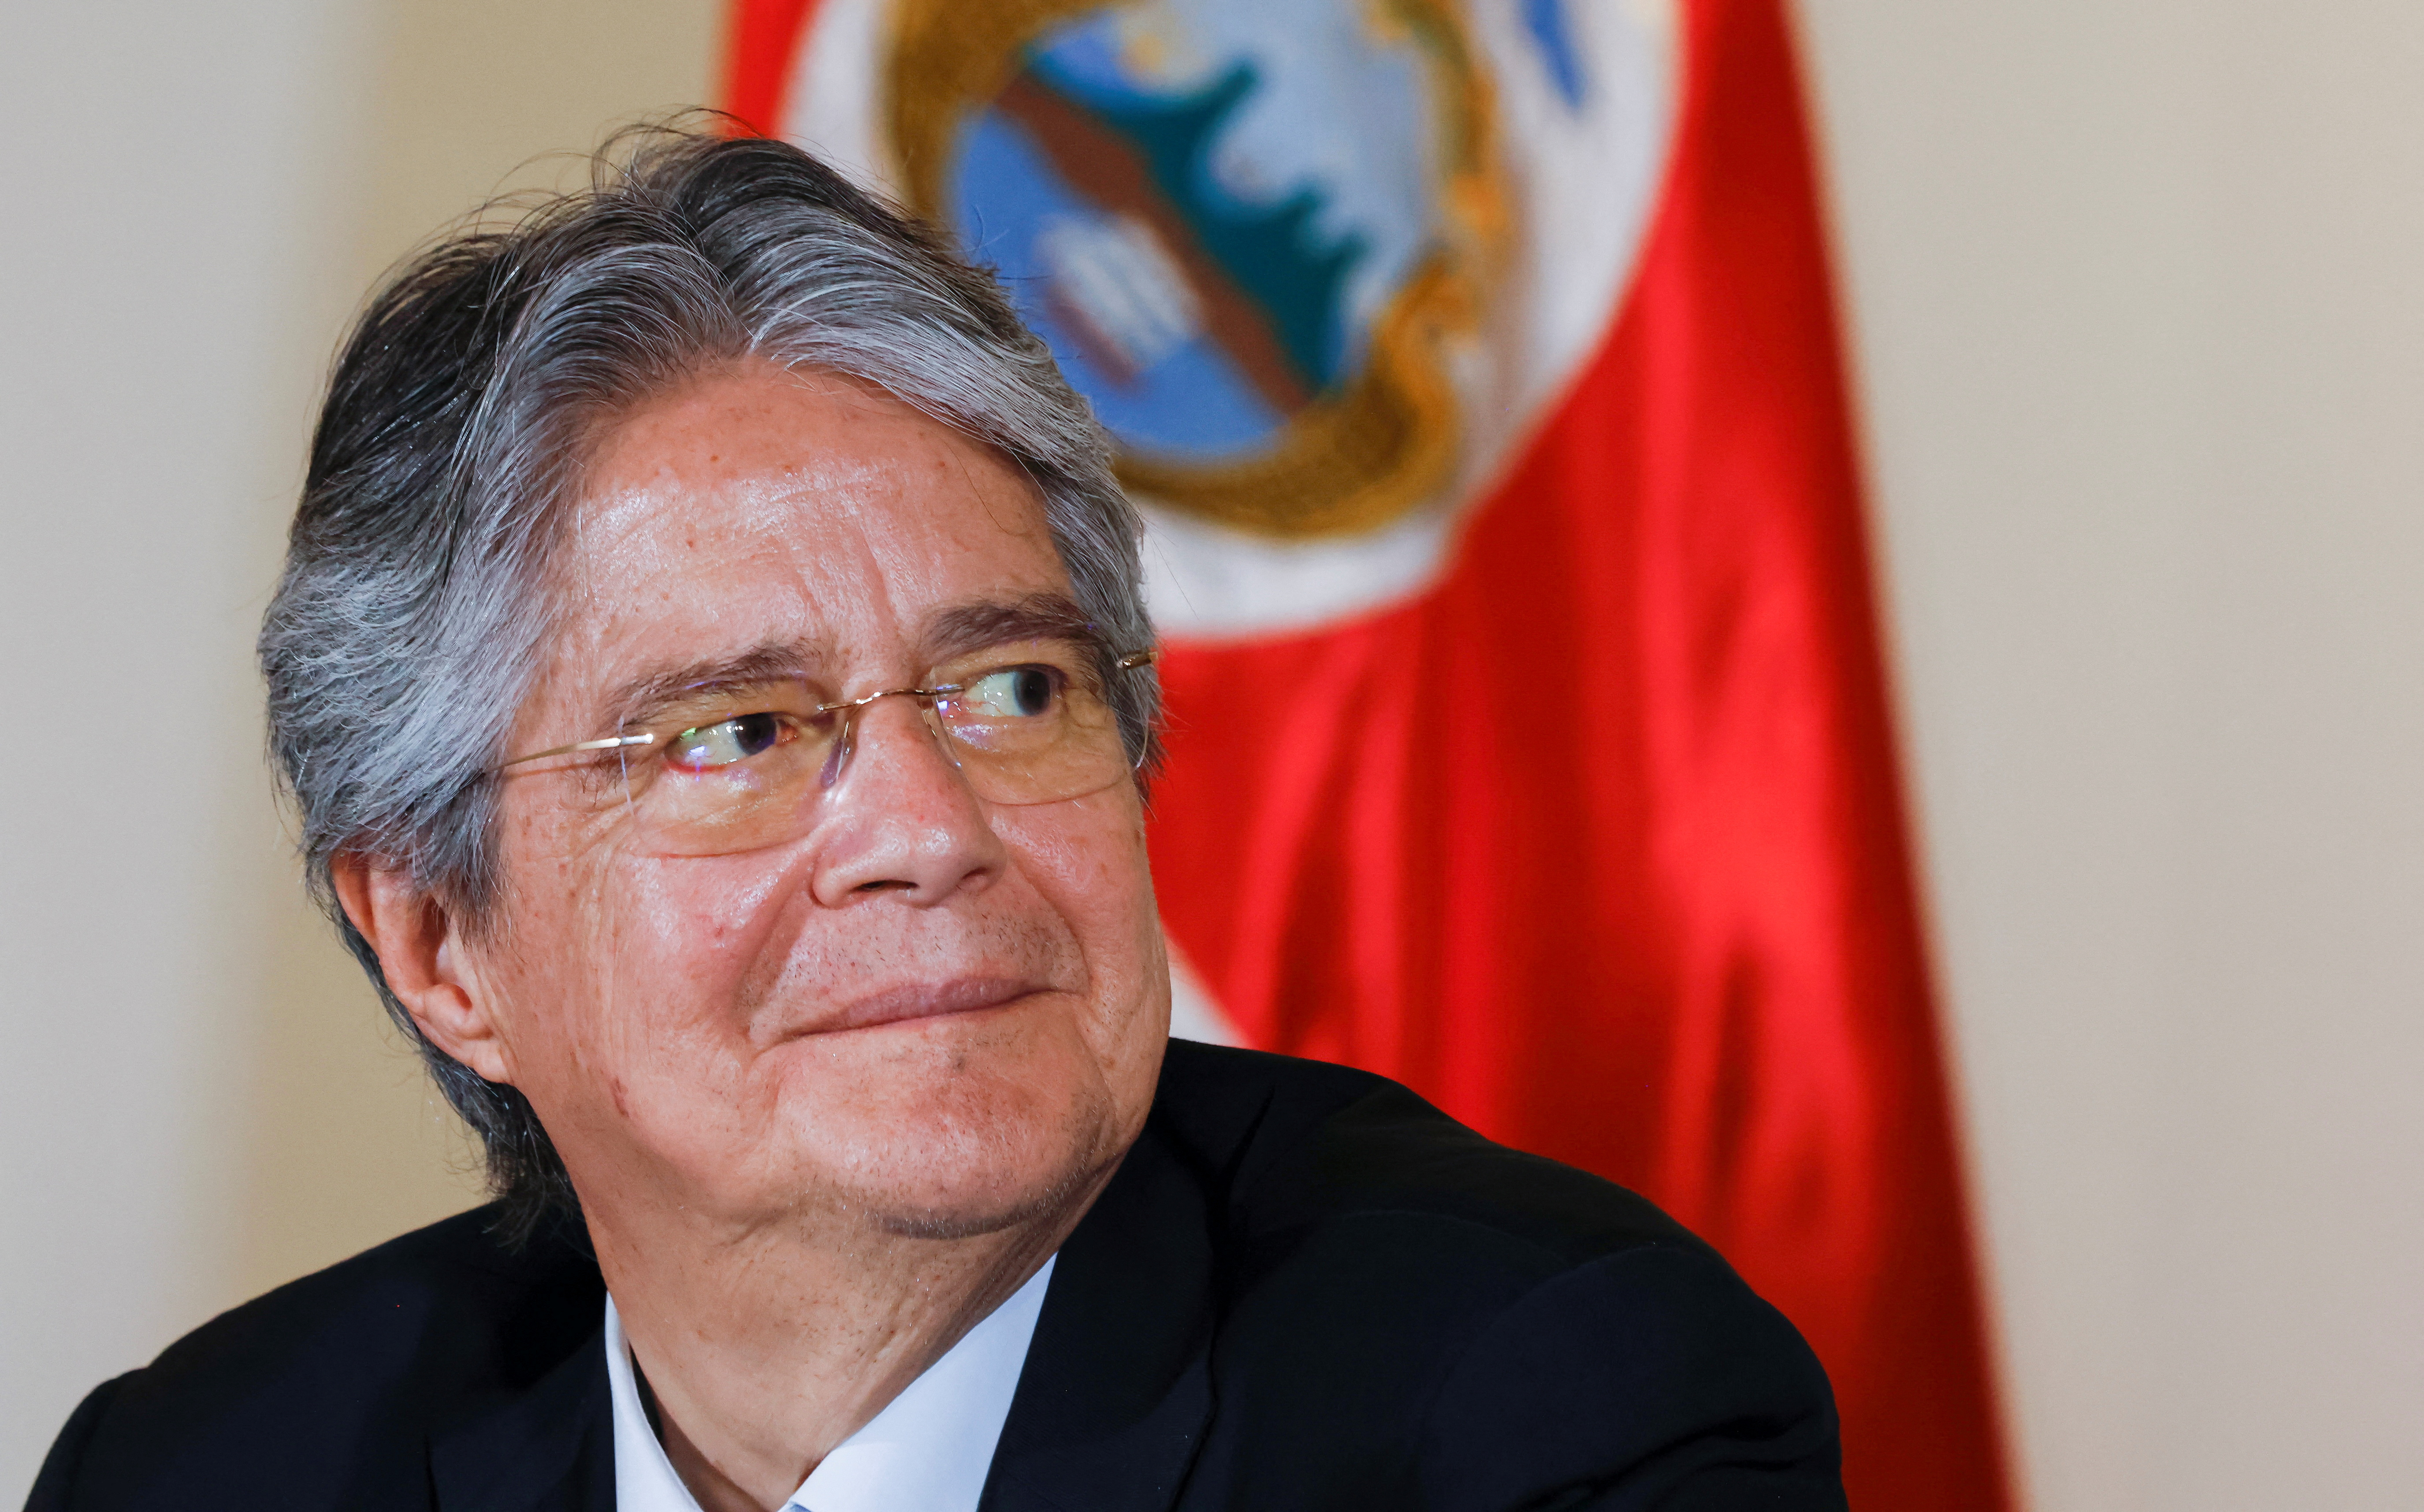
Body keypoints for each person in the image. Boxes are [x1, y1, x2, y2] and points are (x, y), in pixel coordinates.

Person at [26, 129, 1844, 1512]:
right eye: (737, 733)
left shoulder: (1548, 1419)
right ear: (441, 945)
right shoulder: (207, 1472)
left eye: (1013, 690)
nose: (928, 825)